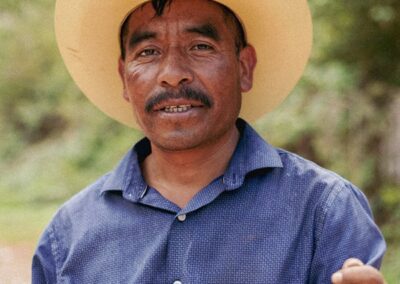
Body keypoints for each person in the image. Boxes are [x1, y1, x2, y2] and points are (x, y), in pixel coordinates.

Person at [32, 0, 387, 283]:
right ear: (124, 79)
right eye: (148, 52)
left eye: (200, 46)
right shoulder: (68, 236)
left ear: (244, 67)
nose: (172, 74)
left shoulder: (324, 212)